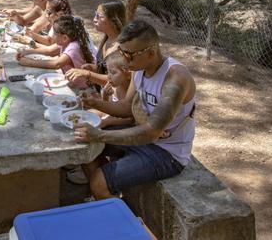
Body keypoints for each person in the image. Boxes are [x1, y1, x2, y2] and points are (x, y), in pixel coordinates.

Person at [73, 20, 196, 200]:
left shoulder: (175, 78)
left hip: (167, 153)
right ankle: (106, 196)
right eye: (121, 52)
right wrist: (93, 103)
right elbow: (126, 107)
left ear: (151, 52)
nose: (124, 59)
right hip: (144, 139)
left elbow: (152, 132)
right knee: (84, 146)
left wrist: (99, 135)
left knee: (99, 181)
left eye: (129, 55)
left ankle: (111, 204)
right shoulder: (139, 68)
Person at [67, 53, 135, 185]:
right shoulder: (115, 86)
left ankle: (97, 173)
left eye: (113, 72)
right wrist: (104, 97)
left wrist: (106, 121)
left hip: (122, 127)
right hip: (110, 119)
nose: (108, 76)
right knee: (79, 118)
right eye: (108, 72)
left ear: (128, 74)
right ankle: (81, 164)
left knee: (89, 138)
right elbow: (109, 107)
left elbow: (130, 119)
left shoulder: (130, 92)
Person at [17, 16, 95, 87]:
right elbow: (49, 51)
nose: (52, 36)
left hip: (81, 86)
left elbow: (56, 64)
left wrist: (30, 62)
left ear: (64, 37)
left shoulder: (73, 47)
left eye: (54, 34)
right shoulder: (66, 41)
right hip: (70, 81)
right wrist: (27, 52)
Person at [65, 1, 126, 88]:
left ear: (114, 21)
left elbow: (115, 79)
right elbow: (106, 69)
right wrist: (93, 68)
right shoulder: (107, 38)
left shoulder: (121, 47)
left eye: (99, 16)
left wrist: (88, 74)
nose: (94, 19)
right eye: (95, 14)